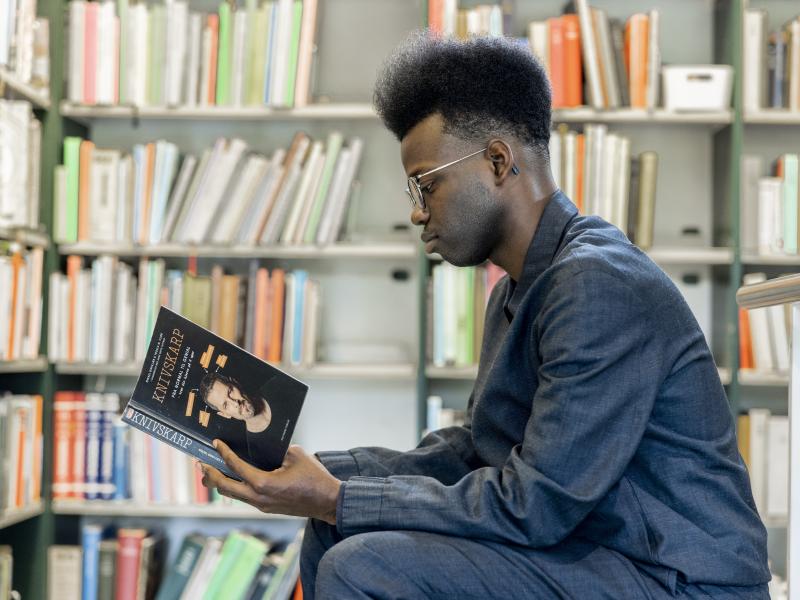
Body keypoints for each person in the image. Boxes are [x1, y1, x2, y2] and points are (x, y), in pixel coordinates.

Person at [199, 33, 770, 598]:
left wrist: (336, 495)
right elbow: (477, 451)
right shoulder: (521, 289)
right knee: (334, 530)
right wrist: (326, 473)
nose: (417, 212)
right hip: (598, 555)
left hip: (674, 579)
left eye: (426, 184)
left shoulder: (596, 285)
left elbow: (536, 504)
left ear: (498, 161)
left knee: (364, 563)